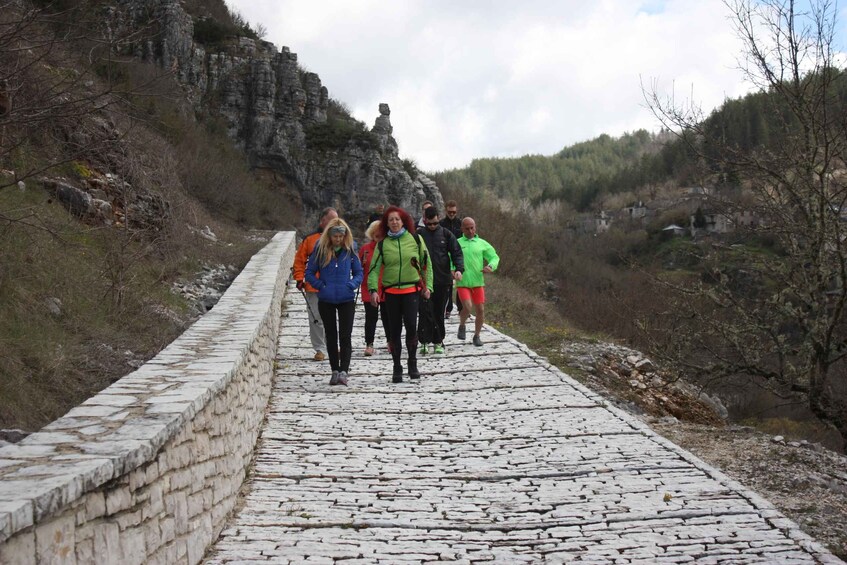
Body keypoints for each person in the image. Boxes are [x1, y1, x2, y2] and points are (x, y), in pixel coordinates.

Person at [368, 206, 433, 383]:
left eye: (397, 219)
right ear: (386, 224)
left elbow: (426, 264)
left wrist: (428, 287)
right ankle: (397, 366)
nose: (394, 222)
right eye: (391, 220)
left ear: (403, 221)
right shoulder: (382, 245)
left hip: (411, 291)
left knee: (412, 327)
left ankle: (413, 362)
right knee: (394, 331)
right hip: (391, 293)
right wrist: (373, 290)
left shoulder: (415, 239)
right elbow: (373, 270)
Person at [305, 218, 363, 386]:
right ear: (329, 236)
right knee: (331, 336)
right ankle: (334, 370)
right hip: (326, 298)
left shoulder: (350, 250)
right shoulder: (320, 250)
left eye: (340, 236)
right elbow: (310, 272)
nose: (338, 239)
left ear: (345, 236)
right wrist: (320, 286)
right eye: (335, 236)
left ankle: (344, 370)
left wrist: (351, 285)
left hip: (346, 298)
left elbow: (359, 272)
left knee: (345, 336)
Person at [293, 207, 337, 361]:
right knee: (316, 318)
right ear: (322, 220)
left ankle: (332, 344)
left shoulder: (339, 238)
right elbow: (299, 261)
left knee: (332, 317)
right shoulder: (310, 239)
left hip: (333, 286)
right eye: (331, 219)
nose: (334, 223)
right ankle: (320, 349)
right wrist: (299, 278)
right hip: (313, 286)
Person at [418, 207, 464, 354]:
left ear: (439, 219)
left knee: (439, 312)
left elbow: (457, 252)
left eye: (435, 223)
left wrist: (458, 269)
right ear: (424, 220)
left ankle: (438, 341)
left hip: (442, 280)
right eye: (429, 224)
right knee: (424, 311)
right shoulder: (418, 235)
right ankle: (424, 341)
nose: (432, 226)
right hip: (423, 281)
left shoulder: (446, 234)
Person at [456, 217, 500, 347]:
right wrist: (453, 270)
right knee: (468, 306)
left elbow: (494, 257)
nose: (470, 231)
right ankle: (462, 325)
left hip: (478, 282)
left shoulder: (482, 243)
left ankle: (477, 336)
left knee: (480, 309)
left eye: (472, 228)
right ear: (462, 229)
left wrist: (491, 266)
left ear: (475, 227)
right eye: (467, 228)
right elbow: (451, 258)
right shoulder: (457, 243)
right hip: (462, 282)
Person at [359, 220, 391, 356]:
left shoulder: (389, 248)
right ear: (372, 236)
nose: (379, 239)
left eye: (382, 236)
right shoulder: (365, 249)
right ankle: (369, 344)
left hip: (386, 287)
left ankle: (391, 342)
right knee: (371, 317)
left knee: (388, 317)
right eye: (377, 236)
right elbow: (358, 267)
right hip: (369, 288)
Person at [439, 200, 463, 317]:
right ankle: (448, 309)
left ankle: (461, 309)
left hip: (458, 254)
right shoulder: (441, 224)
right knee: (448, 284)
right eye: (450, 212)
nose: (452, 214)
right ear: (446, 210)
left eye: (454, 212)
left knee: (461, 283)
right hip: (445, 256)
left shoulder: (461, 223)